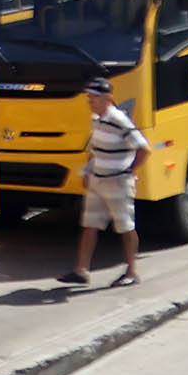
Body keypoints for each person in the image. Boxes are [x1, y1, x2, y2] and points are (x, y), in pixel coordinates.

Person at [63, 73, 150, 288]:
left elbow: (144, 148)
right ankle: (81, 270)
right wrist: (87, 172)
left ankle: (132, 271)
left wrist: (129, 171)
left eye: (94, 98)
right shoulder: (96, 120)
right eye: (89, 98)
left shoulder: (119, 120)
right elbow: (95, 149)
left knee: (125, 227)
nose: (90, 102)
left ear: (108, 98)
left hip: (117, 182)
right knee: (90, 225)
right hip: (97, 181)